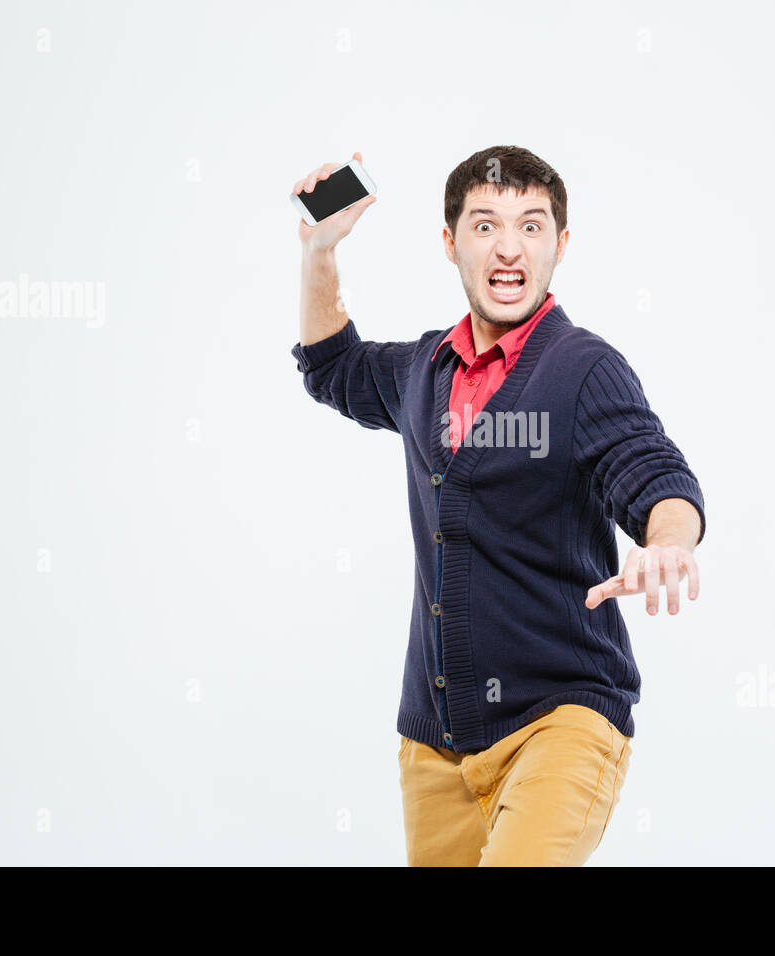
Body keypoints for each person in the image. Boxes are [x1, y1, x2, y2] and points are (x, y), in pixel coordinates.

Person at [290, 145, 705, 866]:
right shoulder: (424, 369)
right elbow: (334, 368)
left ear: (561, 245)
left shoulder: (583, 370)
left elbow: (651, 469)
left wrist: (668, 536)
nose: (509, 247)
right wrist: (318, 250)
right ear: (450, 243)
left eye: (532, 226)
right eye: (485, 225)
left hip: (561, 723)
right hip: (436, 747)